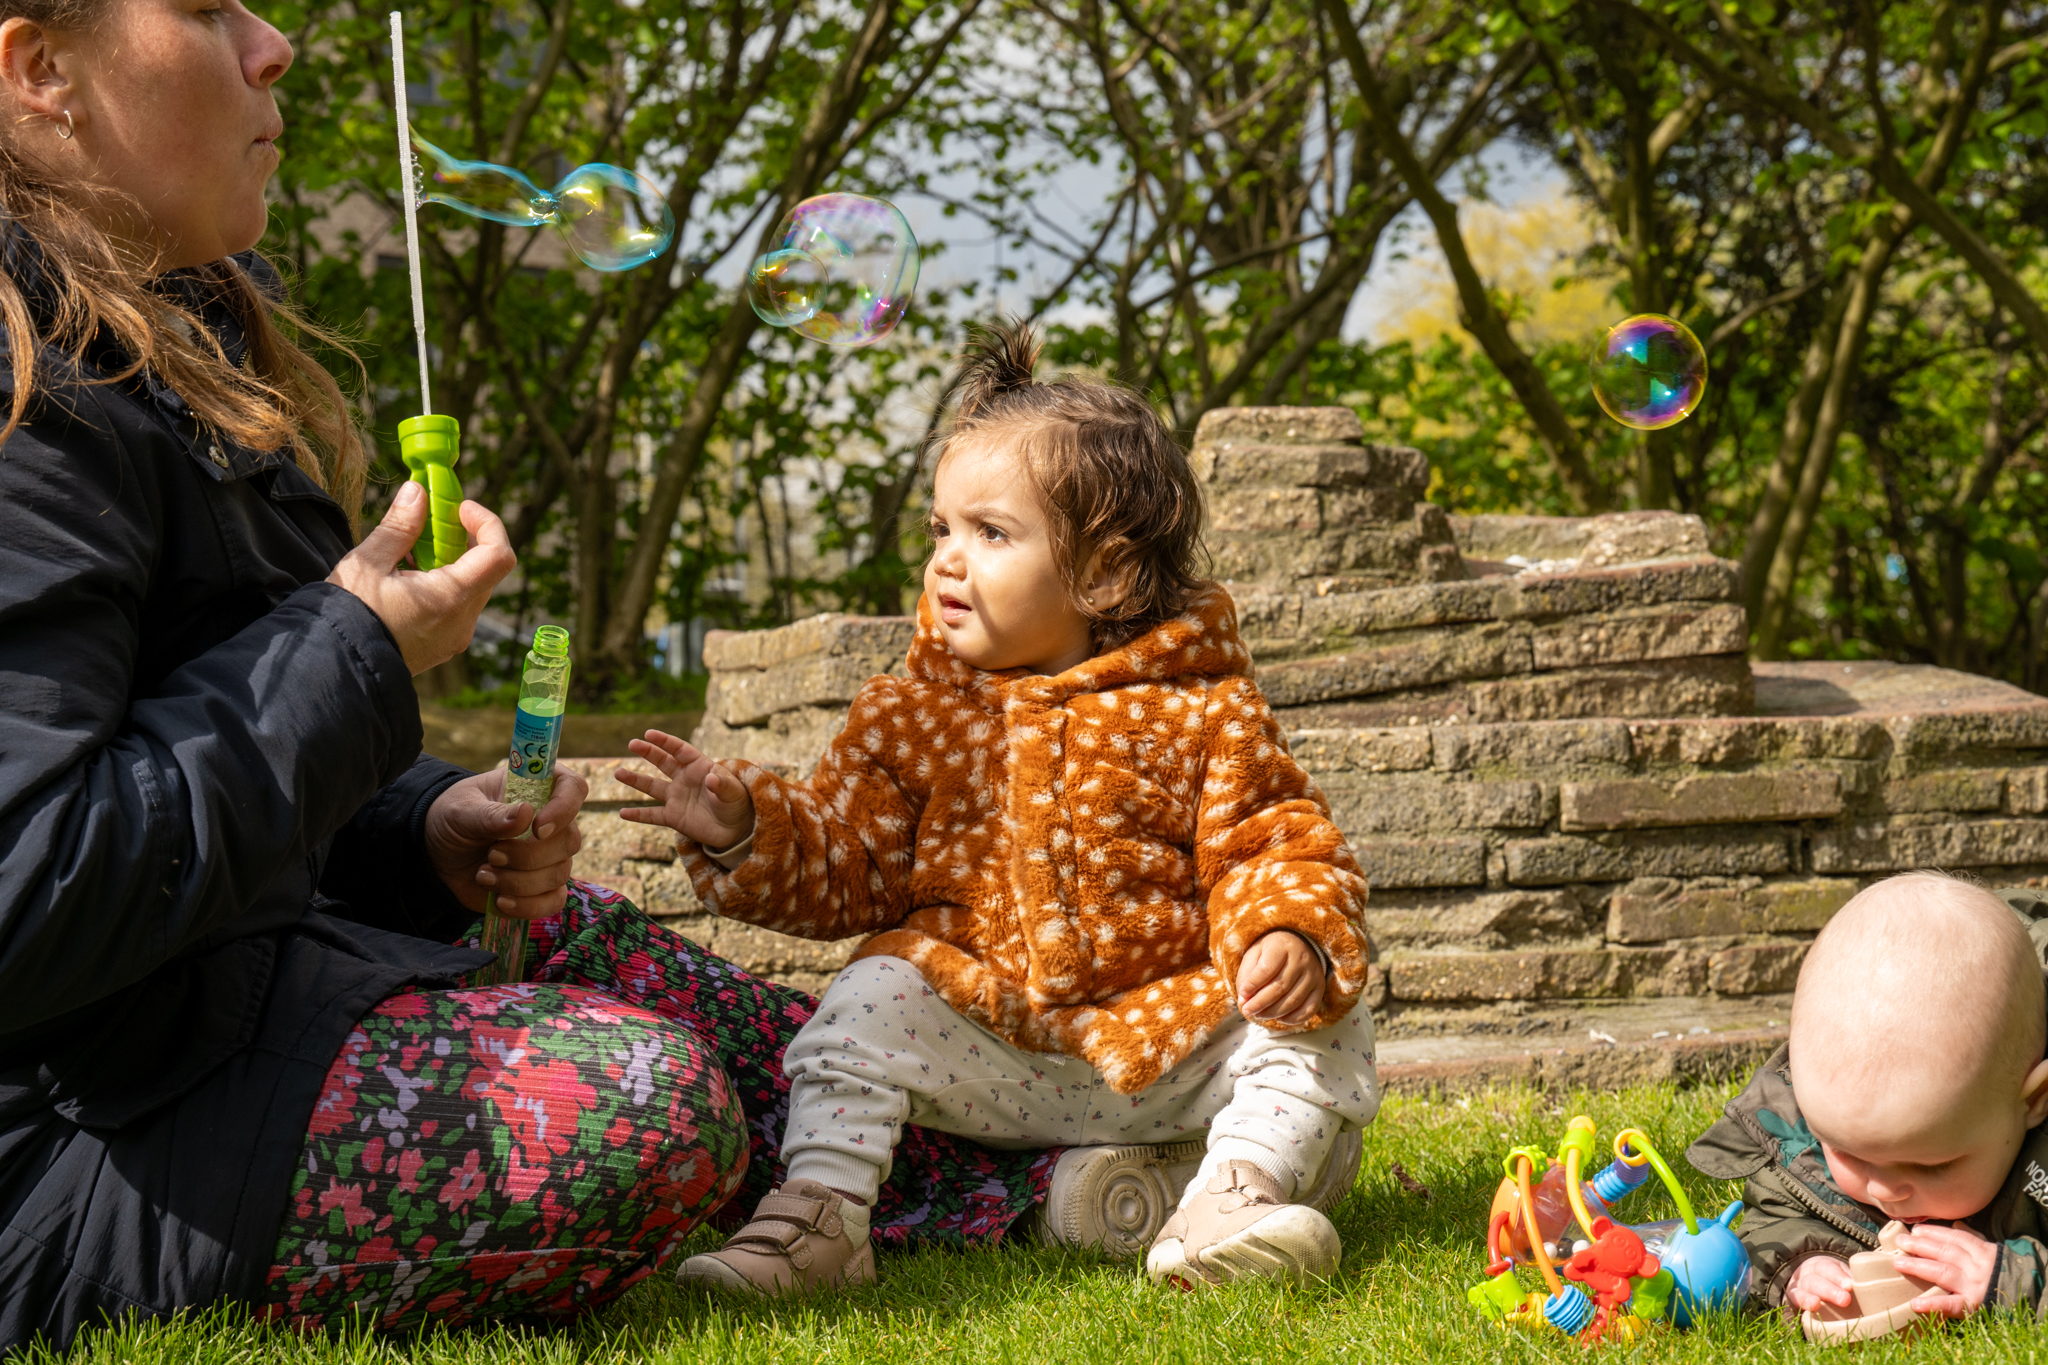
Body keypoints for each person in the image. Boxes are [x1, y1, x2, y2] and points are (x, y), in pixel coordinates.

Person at [0, 0, 1053, 1350]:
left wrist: (414, 830)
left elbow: (192, 755)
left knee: (643, 964)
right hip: (72, 1137)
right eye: (208, 10)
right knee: (642, 1107)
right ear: (39, 70)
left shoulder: (175, 342)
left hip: (203, 1011)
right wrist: (351, 647)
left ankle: (1063, 1171)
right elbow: (31, 882)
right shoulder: (24, 394)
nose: (277, 46)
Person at [618, 320, 1381, 1297]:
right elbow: (849, 867)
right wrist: (749, 828)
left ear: (1103, 572)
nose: (945, 560)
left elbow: (1271, 845)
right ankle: (819, 1218)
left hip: (1174, 1037)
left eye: (989, 533)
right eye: (939, 529)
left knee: (1324, 1013)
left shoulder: (1200, 710)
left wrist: (1287, 932)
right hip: (994, 1044)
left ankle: (1229, 1195)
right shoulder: (913, 716)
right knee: (867, 1000)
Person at [1688, 873, 2048, 1322]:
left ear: (2034, 1101)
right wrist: (1797, 1266)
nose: (1884, 1189)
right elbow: (1770, 1221)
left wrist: (2016, 1278)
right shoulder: (1806, 1130)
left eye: (1931, 1165)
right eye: (1846, 1151)